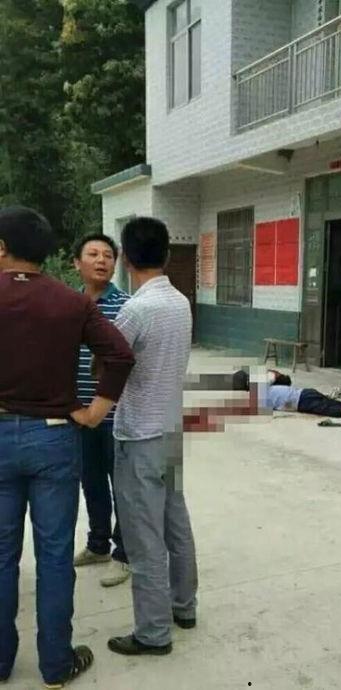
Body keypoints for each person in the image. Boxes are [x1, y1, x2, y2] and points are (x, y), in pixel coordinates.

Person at [0, 207, 135, 687]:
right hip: (55, 436)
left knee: (2, 555)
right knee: (55, 555)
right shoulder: (71, 303)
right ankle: (55, 666)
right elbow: (120, 355)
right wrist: (96, 410)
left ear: (2, 248)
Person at [107, 217, 198, 657]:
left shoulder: (135, 310)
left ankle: (153, 632)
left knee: (144, 539)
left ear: (126, 258)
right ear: (166, 254)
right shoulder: (181, 302)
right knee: (176, 523)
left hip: (139, 435)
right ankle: (184, 606)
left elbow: (108, 365)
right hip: (170, 431)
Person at [72, 233, 131, 588]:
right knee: (91, 483)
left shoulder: (126, 306)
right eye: (93, 254)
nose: (101, 260)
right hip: (79, 415)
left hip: (115, 415)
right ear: (76, 263)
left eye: (108, 255)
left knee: (121, 488)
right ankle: (98, 545)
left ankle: (124, 553)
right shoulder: (68, 305)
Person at [233, 369, 341, 422]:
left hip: (301, 402)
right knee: (332, 403)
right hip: (304, 393)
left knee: (330, 409)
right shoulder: (263, 383)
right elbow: (274, 375)